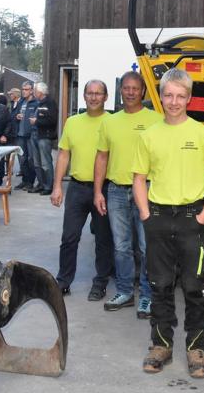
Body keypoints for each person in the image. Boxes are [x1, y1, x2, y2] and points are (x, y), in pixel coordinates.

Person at [133, 68, 204, 378]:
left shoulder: (203, 134)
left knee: (195, 288)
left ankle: (196, 348)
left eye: (180, 96)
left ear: (190, 98)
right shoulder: (148, 136)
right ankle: (160, 345)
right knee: (159, 286)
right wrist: (146, 214)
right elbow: (139, 178)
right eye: (168, 95)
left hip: (191, 219)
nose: (174, 101)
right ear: (160, 96)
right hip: (157, 218)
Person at [93, 71, 161, 318]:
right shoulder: (109, 122)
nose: (131, 92)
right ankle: (124, 292)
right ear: (120, 91)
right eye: (126, 88)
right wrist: (97, 191)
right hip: (116, 192)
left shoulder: (156, 120)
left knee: (146, 246)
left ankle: (147, 296)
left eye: (135, 88)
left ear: (143, 92)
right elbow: (102, 157)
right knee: (121, 246)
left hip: (147, 190)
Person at [51, 80, 114, 301]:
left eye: (98, 93)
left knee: (103, 240)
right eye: (90, 93)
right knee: (69, 237)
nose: (94, 97)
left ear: (106, 97)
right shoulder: (72, 122)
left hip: (104, 189)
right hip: (77, 189)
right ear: (84, 96)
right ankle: (63, 281)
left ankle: (100, 283)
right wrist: (57, 186)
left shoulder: (113, 122)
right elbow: (63, 154)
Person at [31, 82, 58, 195]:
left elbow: (52, 120)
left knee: (46, 163)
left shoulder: (50, 102)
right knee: (37, 163)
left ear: (40, 92)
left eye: (35, 91)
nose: (34, 93)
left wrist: (36, 121)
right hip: (36, 136)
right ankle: (41, 184)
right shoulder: (39, 103)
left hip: (45, 137)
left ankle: (48, 186)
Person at [13, 82, 38, 191]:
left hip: (30, 135)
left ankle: (30, 182)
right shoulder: (21, 102)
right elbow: (13, 115)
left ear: (32, 90)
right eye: (23, 89)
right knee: (22, 159)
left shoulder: (36, 103)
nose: (24, 91)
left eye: (26, 89)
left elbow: (39, 119)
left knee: (30, 159)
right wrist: (16, 116)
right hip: (20, 135)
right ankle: (24, 180)